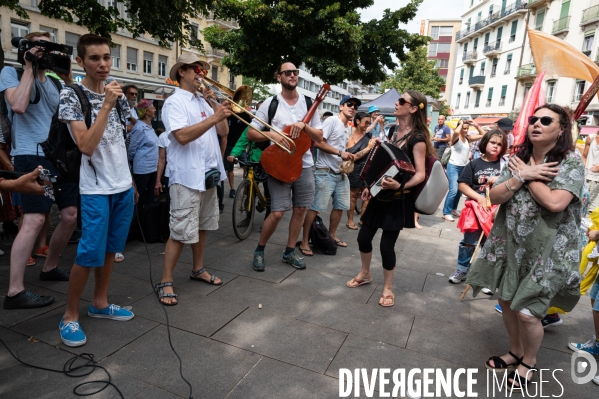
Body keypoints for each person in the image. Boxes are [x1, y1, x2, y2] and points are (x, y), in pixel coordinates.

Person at [466, 104, 584, 388]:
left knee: (528, 314)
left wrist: (527, 176)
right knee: (506, 301)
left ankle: (529, 361)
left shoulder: (570, 162)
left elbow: (555, 202)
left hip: (548, 251)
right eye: (533, 119)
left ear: (561, 129)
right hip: (513, 244)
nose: (536, 124)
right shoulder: (520, 159)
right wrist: (521, 175)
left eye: (546, 120)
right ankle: (515, 351)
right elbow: (494, 196)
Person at [58, 34, 137, 346]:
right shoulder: (71, 95)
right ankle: (70, 315)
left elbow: (121, 139)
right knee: (88, 252)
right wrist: (106, 103)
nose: (103, 63)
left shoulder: (118, 93)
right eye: (94, 58)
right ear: (81, 62)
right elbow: (86, 146)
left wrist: (130, 182)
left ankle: (100, 304)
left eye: (107, 57)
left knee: (110, 249)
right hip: (93, 188)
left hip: (122, 185)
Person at [0, 31, 78, 310]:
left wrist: (68, 78)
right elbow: (19, 105)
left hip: (57, 158)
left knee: (69, 215)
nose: (45, 52)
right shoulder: (12, 73)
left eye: (48, 47)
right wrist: (30, 66)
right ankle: (15, 292)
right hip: (32, 158)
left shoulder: (56, 83)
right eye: (39, 47)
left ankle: (50, 267)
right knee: (34, 219)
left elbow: (73, 115)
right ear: (27, 49)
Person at [346, 90, 434, 307]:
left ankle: (387, 288)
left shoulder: (418, 139)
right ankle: (365, 273)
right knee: (363, 238)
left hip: (397, 199)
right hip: (379, 195)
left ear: (413, 108)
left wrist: (400, 185)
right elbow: (386, 166)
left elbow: (420, 174)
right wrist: (370, 187)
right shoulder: (394, 131)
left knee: (387, 246)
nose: (396, 103)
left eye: (401, 101)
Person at [155, 53, 231, 305]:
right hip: (187, 176)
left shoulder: (203, 100)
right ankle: (166, 281)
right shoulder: (174, 102)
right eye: (196, 69)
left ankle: (198, 268)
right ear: (182, 72)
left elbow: (224, 132)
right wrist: (213, 117)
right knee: (179, 231)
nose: (201, 74)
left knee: (201, 226)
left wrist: (215, 108)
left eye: (202, 70)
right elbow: (181, 137)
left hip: (208, 173)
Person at [248, 62, 323, 271]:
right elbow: (250, 133)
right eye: (287, 72)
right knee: (278, 212)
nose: (292, 75)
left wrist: (305, 125)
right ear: (279, 77)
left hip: (305, 164)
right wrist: (271, 134)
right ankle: (260, 250)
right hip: (280, 165)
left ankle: (290, 252)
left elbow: (319, 135)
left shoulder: (309, 103)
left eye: (295, 72)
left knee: (300, 209)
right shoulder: (270, 104)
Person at [298, 95, 357, 255]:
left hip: (341, 174)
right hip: (325, 172)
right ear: (341, 106)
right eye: (349, 104)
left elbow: (341, 149)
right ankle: (304, 242)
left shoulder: (348, 127)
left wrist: (347, 156)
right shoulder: (332, 121)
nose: (352, 108)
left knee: (340, 206)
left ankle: (332, 236)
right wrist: (340, 153)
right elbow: (317, 142)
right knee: (316, 208)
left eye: (355, 106)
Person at [447, 129, 507, 284]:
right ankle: (462, 269)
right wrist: (479, 198)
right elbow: (462, 184)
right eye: (493, 142)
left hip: (495, 211)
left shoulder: (505, 165)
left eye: (499, 144)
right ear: (485, 142)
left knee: (491, 244)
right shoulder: (474, 164)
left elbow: (512, 184)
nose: (495, 146)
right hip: (475, 210)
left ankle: (488, 277)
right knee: (469, 242)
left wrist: (500, 179)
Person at [442, 119, 484, 222]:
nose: (465, 130)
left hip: (463, 167)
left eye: (467, 129)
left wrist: (475, 124)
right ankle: (446, 212)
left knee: (460, 191)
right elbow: (456, 132)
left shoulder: (468, 139)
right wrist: (460, 124)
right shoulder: (455, 138)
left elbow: (483, 134)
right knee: (453, 190)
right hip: (453, 166)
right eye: (464, 128)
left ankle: (453, 209)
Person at [345, 112, 375, 230]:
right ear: (357, 121)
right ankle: (350, 220)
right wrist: (368, 148)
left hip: (368, 169)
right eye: (366, 122)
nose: (368, 125)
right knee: (353, 196)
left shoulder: (368, 136)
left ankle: (363, 219)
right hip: (355, 170)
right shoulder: (351, 137)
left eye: (369, 122)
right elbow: (353, 157)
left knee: (368, 196)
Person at [128, 99, 158, 208]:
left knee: (149, 197)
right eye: (152, 108)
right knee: (138, 197)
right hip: (142, 169)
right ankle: (137, 219)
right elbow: (131, 149)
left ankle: (147, 219)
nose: (155, 110)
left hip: (152, 167)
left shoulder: (150, 127)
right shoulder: (139, 128)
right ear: (146, 111)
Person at [224, 112, 252, 198]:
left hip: (241, 146)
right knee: (229, 169)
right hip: (229, 145)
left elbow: (250, 128)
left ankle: (246, 185)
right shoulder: (228, 114)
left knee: (246, 166)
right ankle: (232, 189)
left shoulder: (245, 114)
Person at [584, 130, 599, 215]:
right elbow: (584, 156)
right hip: (586, 178)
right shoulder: (591, 138)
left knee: (594, 212)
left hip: (598, 181)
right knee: (580, 208)